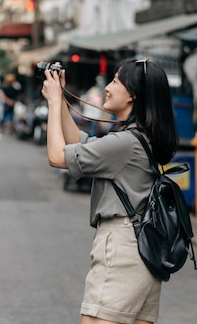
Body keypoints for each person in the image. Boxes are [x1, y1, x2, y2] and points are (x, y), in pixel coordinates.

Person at [41, 58, 178, 324]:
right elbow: (80, 144)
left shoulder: (125, 143)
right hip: (142, 254)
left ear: (133, 95)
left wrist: (55, 102)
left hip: (122, 250)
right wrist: (61, 104)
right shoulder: (139, 137)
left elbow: (57, 157)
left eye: (115, 81)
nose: (107, 87)